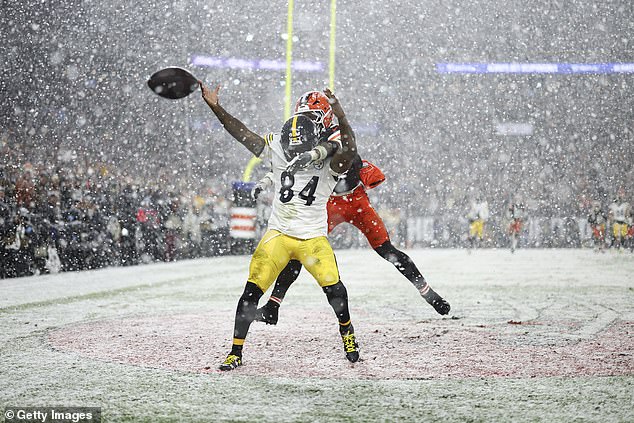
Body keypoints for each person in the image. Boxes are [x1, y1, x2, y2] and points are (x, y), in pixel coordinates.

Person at [253, 91, 450, 326]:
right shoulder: (307, 136)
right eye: (305, 115)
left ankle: (427, 292)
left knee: (386, 249)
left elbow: (328, 147)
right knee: (299, 248)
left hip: (355, 199)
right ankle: (273, 305)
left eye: (313, 115)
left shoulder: (335, 133)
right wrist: (266, 180)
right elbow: (286, 165)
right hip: (327, 201)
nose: (309, 120)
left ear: (326, 114)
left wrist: (312, 153)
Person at [199, 82, 360, 371]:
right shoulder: (279, 144)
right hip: (280, 233)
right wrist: (215, 107)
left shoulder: (332, 154)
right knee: (250, 291)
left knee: (334, 289)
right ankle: (235, 352)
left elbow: (348, 149)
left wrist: (341, 114)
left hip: (311, 237)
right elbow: (242, 134)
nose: (305, 124)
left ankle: (347, 333)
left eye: (312, 118)